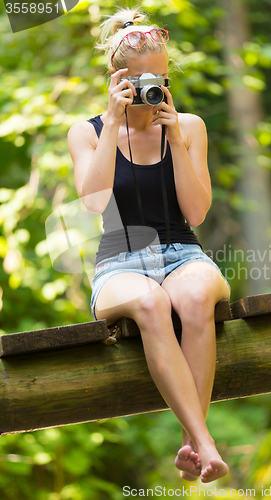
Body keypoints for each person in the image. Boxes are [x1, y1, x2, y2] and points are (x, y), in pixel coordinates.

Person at [67, 6, 231, 483]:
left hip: (183, 251)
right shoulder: (88, 132)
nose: (148, 90)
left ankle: (190, 443)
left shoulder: (190, 126)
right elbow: (95, 204)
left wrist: (176, 140)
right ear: (118, 78)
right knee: (151, 302)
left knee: (198, 295)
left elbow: (197, 213)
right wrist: (114, 123)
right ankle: (203, 442)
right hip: (119, 263)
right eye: (138, 81)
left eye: (157, 79)